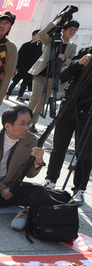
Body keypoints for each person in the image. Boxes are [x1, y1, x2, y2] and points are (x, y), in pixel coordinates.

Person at [43, 47, 92, 206]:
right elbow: (63, 76)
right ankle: (50, 180)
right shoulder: (86, 51)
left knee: (84, 154)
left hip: (89, 113)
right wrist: (79, 63)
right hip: (68, 106)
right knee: (58, 148)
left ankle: (79, 189)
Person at [27, 18, 78, 131]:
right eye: (70, 29)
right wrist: (56, 22)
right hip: (40, 74)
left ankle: (32, 123)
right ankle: (25, 120)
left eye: (75, 30)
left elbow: (72, 61)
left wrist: (64, 59)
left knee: (42, 102)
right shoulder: (52, 40)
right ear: (64, 30)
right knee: (34, 99)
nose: (72, 32)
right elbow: (41, 33)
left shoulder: (73, 46)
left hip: (54, 77)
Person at [5, 29, 42, 102]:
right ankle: (8, 94)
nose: (38, 37)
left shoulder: (40, 47)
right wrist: (16, 67)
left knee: (25, 83)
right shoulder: (26, 45)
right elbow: (19, 56)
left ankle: (20, 96)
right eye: (37, 35)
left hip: (31, 68)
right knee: (15, 81)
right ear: (33, 35)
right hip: (22, 67)